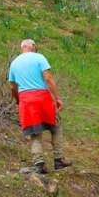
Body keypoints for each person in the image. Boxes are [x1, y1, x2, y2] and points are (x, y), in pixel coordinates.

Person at [8, 39, 72, 174]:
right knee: (55, 126)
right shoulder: (39, 57)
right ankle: (58, 159)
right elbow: (48, 78)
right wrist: (58, 98)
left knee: (34, 132)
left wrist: (19, 101)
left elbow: (13, 87)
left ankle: (39, 164)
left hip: (25, 100)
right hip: (41, 97)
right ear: (33, 47)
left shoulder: (14, 63)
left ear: (22, 49)